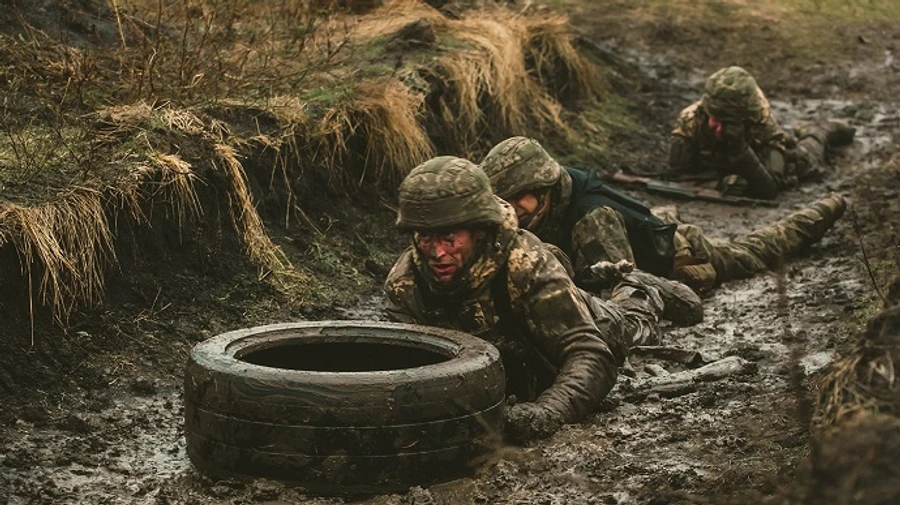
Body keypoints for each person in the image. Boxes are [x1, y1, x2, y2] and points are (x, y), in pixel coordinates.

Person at [383, 156, 702, 442]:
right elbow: (409, 372)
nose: (437, 253)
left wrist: (546, 412)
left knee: (633, 326)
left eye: (449, 238)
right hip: (510, 357)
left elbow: (592, 355)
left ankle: (637, 285)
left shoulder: (524, 263)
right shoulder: (406, 285)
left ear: (479, 230)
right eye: (425, 237)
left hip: (591, 322)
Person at [480, 136, 847, 295]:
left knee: (759, 250)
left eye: (514, 199)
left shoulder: (594, 221)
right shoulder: (555, 189)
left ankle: (829, 207)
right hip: (648, 227)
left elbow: (624, 290)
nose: (508, 209)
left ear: (542, 189)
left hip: (682, 253)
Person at [668, 65, 855, 199]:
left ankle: (821, 128)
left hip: (758, 154)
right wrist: (719, 183)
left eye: (726, 122)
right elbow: (678, 174)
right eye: (714, 117)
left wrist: (741, 150)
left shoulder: (766, 130)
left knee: (807, 161)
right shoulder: (691, 121)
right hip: (721, 160)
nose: (716, 127)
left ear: (744, 121)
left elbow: (770, 189)